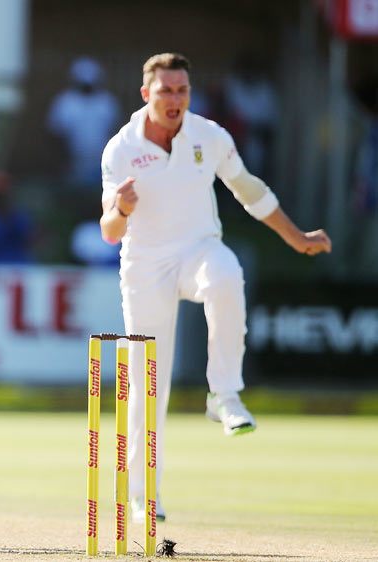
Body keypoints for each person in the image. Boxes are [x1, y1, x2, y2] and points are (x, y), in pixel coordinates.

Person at [99, 53, 331, 523]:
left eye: (182, 91)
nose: (175, 100)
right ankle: (144, 496)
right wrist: (121, 209)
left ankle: (223, 395)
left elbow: (249, 190)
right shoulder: (121, 149)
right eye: (166, 91)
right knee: (148, 381)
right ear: (147, 95)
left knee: (227, 274)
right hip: (145, 266)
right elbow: (109, 232)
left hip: (198, 248)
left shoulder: (209, 135)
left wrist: (297, 238)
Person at [47, 57, 120, 188]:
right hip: (73, 165)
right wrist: (62, 162)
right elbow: (55, 135)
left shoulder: (106, 102)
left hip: (102, 165)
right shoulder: (65, 102)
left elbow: (115, 132)